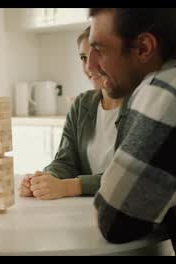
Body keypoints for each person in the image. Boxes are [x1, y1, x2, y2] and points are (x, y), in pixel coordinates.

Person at [87, 8, 176, 255]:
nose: (91, 65)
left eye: (99, 49)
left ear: (143, 47)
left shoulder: (169, 92)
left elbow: (116, 221)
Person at [19, 27, 130, 200]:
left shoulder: (142, 104)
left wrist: (70, 186)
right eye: (83, 58)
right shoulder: (82, 104)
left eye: (99, 54)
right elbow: (65, 161)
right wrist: (44, 180)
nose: (89, 66)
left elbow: (128, 178)